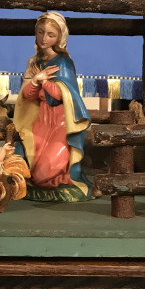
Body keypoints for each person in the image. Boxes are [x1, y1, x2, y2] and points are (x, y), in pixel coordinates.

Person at [13, 12, 92, 198]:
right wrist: (35, 81)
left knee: (44, 173)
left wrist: (44, 81)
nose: (44, 38)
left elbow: (61, 94)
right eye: (41, 32)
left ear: (59, 38)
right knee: (32, 169)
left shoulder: (63, 62)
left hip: (60, 122)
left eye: (50, 35)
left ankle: (64, 178)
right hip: (41, 120)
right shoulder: (34, 61)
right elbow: (28, 95)